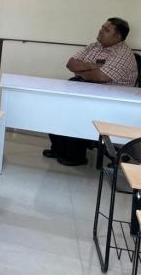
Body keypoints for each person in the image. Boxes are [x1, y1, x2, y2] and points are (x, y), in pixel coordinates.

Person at [44, 17, 138, 166]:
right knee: (58, 103)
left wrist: (82, 72)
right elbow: (71, 64)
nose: (101, 31)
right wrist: (93, 66)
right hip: (88, 89)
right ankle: (58, 148)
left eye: (106, 30)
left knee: (77, 110)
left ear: (118, 36)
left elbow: (101, 77)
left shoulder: (123, 54)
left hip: (110, 100)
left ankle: (75, 156)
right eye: (102, 27)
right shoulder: (94, 46)